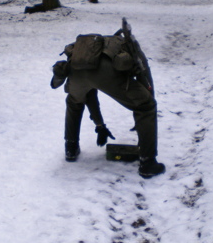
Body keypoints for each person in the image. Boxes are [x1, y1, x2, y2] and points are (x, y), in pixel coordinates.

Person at [52, 26, 166, 178]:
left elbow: (89, 94)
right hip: (108, 72)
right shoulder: (126, 44)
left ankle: (70, 148)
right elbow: (144, 74)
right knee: (146, 106)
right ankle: (148, 162)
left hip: (77, 72)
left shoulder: (87, 52)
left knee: (74, 102)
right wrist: (145, 101)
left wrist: (100, 125)